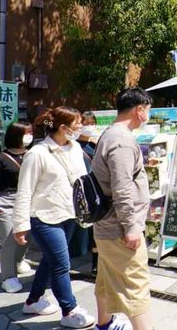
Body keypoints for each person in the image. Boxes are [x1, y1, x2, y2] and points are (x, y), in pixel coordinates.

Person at [12, 107, 96, 329]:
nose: (81, 127)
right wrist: (20, 225)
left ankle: (33, 300)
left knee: (51, 261)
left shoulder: (76, 148)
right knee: (61, 264)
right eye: (78, 124)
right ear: (63, 127)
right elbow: (25, 191)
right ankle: (70, 310)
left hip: (68, 214)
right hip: (44, 218)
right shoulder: (37, 153)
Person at [91, 88, 152, 330]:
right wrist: (131, 227)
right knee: (136, 284)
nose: (147, 115)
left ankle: (104, 324)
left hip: (107, 224)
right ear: (139, 110)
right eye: (147, 110)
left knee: (106, 278)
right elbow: (123, 186)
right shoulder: (122, 141)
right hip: (119, 227)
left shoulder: (110, 134)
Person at [0, 121, 34, 293]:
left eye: (31, 132)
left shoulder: (33, 155)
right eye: (25, 133)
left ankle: (18, 260)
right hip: (5, 201)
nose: (29, 136)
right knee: (9, 241)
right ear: (15, 135)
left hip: (27, 200)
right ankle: (8, 277)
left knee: (26, 236)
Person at [69, 111, 99, 274]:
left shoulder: (97, 143)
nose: (88, 126)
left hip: (96, 191)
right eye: (84, 123)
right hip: (81, 191)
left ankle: (96, 264)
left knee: (95, 230)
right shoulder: (73, 146)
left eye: (91, 123)